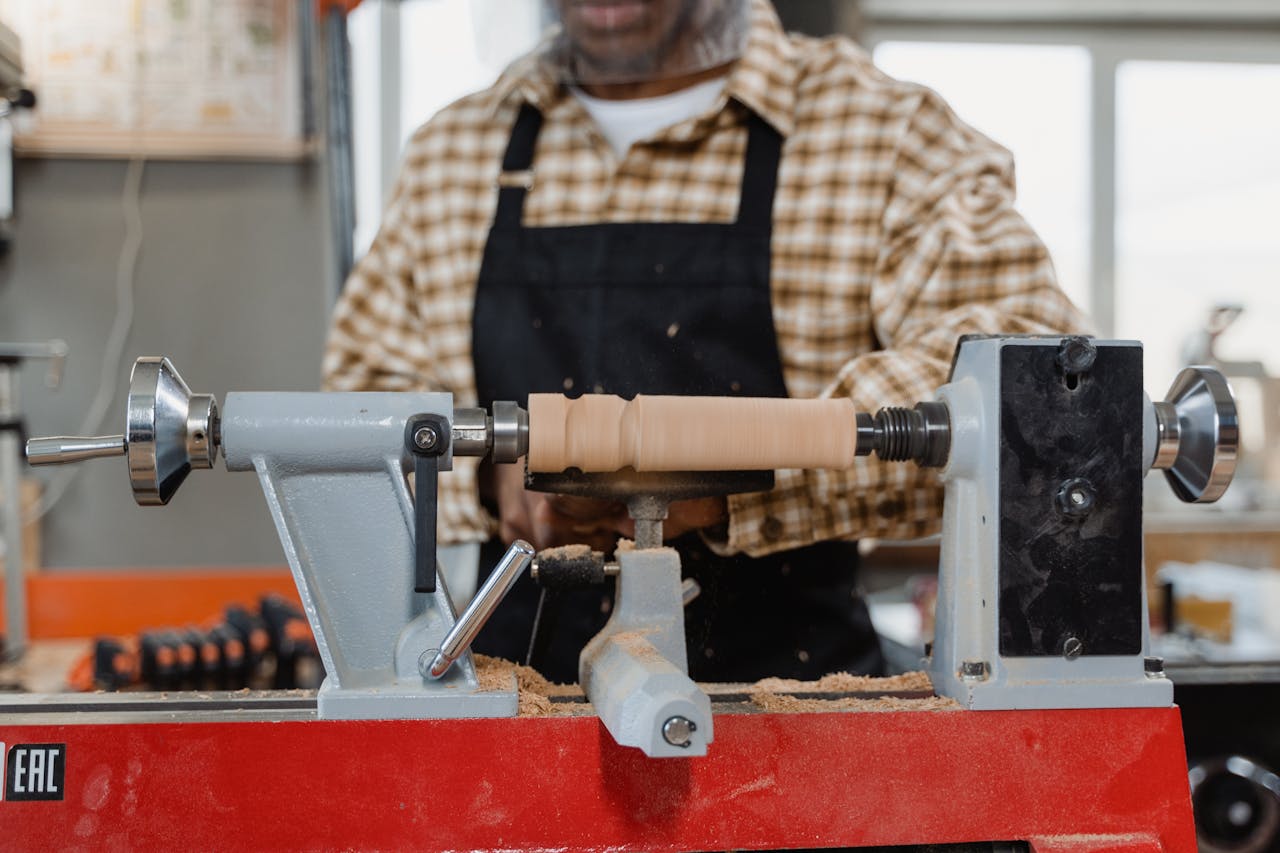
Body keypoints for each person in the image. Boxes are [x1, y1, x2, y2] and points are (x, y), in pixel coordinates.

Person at [323, 0, 1089, 684]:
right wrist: (493, 479)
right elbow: (355, 419)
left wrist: (735, 473)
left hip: (796, 717)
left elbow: (1033, 382)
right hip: (517, 711)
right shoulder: (455, 151)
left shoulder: (886, 135)